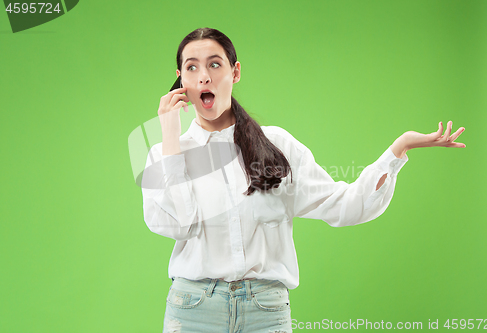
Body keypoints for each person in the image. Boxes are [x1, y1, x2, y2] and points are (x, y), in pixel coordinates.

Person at [141, 27, 465, 333]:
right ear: (180, 79)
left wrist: (398, 149)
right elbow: (178, 225)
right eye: (192, 67)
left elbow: (345, 206)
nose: (205, 76)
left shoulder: (276, 145)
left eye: (214, 64)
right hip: (194, 310)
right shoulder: (163, 155)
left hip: (265, 310)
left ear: (235, 72)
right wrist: (169, 138)